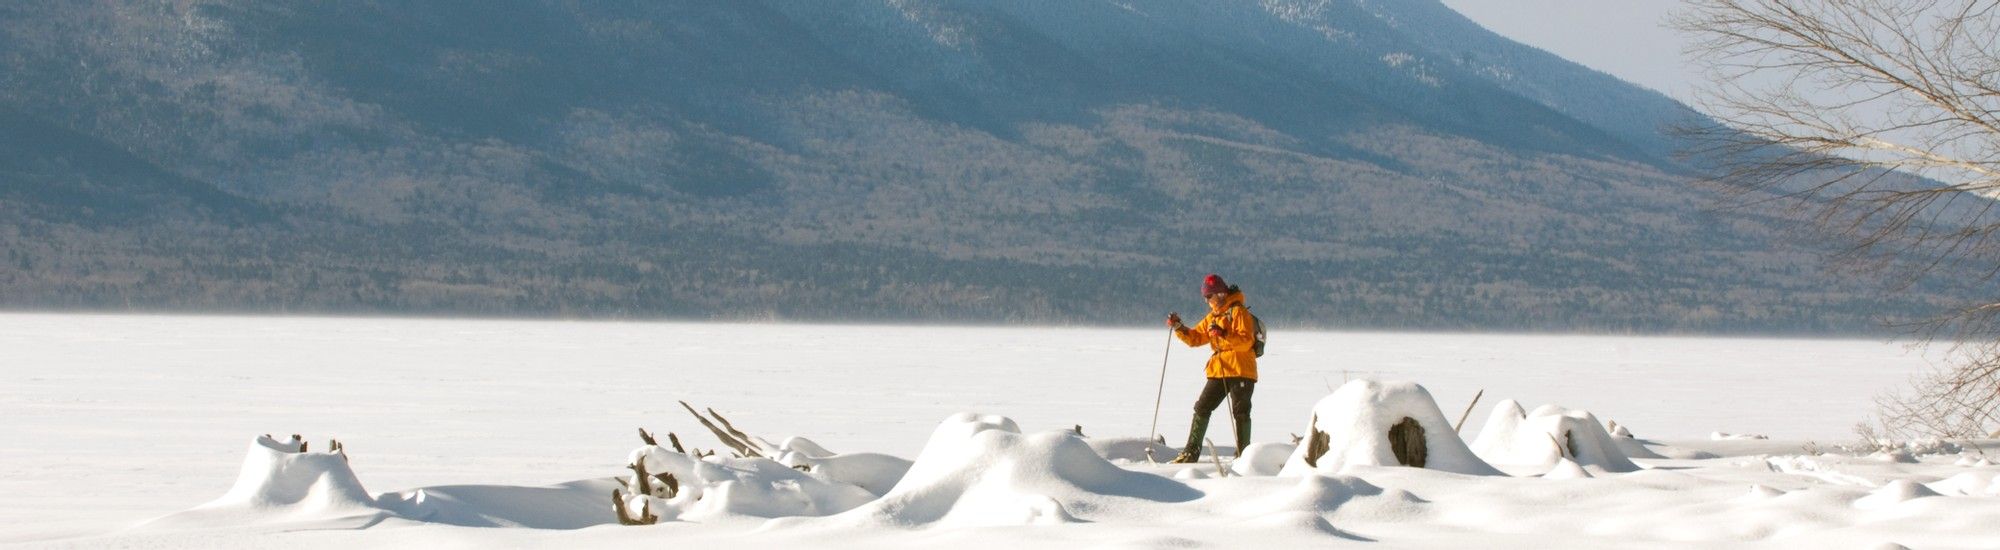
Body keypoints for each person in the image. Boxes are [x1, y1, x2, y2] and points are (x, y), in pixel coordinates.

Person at [1164, 273, 1257, 463]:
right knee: (1202, 407)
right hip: (1219, 369)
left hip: (1241, 369)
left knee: (1240, 412)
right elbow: (1196, 338)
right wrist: (1179, 327)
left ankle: (1244, 457)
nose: (1206, 300)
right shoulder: (1213, 316)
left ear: (1220, 293)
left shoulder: (1238, 312)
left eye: (1209, 296)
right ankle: (1190, 452)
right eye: (1205, 297)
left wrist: (1223, 335)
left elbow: (1246, 342)